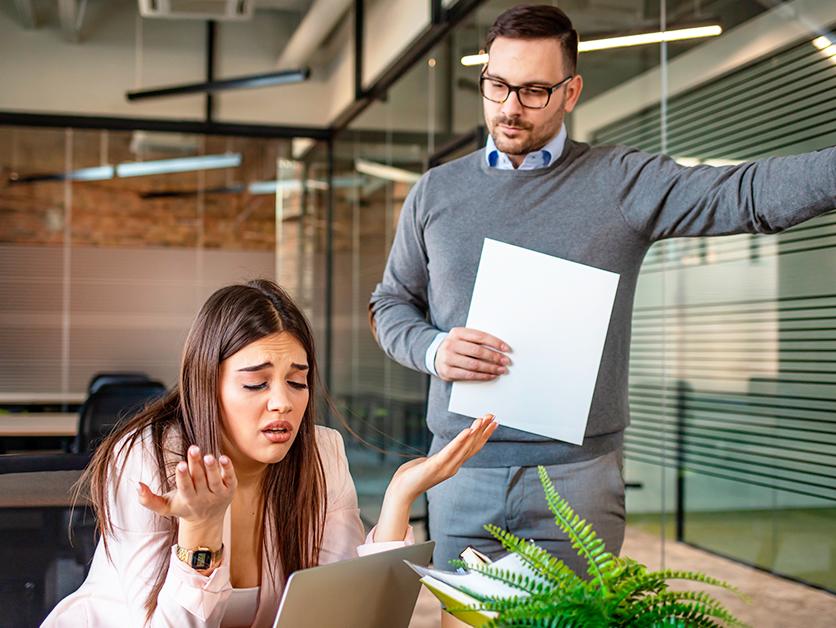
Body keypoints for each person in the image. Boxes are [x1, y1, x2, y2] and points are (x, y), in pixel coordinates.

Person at [369, 3, 836, 580]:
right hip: (460, 471)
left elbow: (744, 194)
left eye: (535, 90)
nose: (511, 107)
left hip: (578, 478)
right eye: (497, 85)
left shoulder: (620, 181)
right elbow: (389, 304)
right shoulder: (436, 192)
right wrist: (433, 349)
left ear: (572, 91)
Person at [44, 279, 498, 627]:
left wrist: (400, 497)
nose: (282, 401)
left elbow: (346, 612)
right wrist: (198, 535)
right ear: (208, 385)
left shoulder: (321, 453)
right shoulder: (148, 459)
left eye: (297, 381)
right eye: (256, 383)